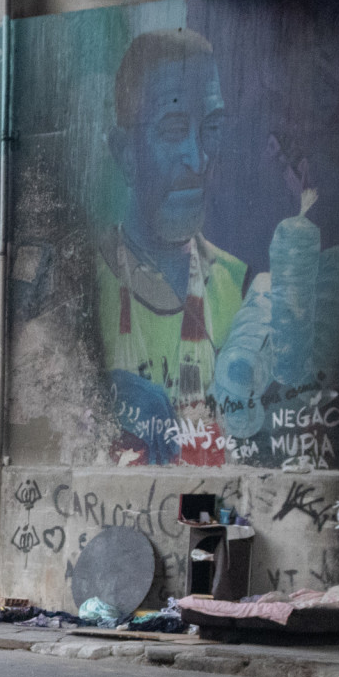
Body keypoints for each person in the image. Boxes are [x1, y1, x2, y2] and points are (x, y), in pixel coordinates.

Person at [96, 28, 245, 466]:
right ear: (124, 152)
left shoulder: (240, 287)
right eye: (174, 129)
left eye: (211, 129)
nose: (198, 159)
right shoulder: (81, 284)